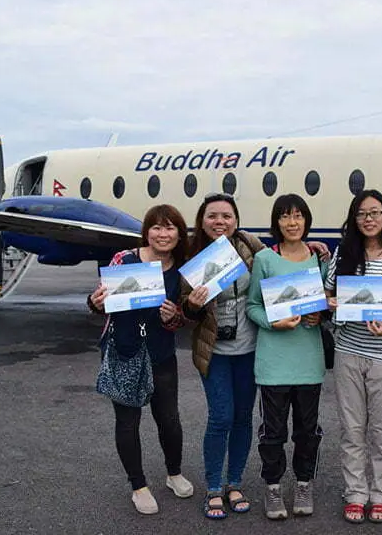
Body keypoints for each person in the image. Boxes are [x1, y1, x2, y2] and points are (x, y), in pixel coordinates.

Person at [88, 204, 195, 515]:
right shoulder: (125, 259)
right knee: (128, 422)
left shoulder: (182, 269)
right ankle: (139, 486)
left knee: (170, 421)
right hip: (125, 350)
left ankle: (173, 473)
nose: (163, 234)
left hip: (161, 354)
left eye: (170, 227)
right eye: (157, 227)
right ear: (147, 231)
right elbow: (102, 301)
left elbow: (181, 319)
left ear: (179, 233)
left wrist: (174, 316)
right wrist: (95, 303)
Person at [324, 189, 382, 524]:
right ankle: (356, 493)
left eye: (375, 212)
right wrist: (330, 303)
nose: (369, 219)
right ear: (353, 219)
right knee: (352, 429)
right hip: (348, 351)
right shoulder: (344, 253)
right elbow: (328, 293)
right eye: (362, 214)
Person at [181, 193, 266, 520]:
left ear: (236, 220)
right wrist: (194, 304)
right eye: (213, 216)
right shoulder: (194, 253)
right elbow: (185, 308)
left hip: (249, 349)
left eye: (227, 216)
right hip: (213, 350)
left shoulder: (248, 243)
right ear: (202, 220)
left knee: (243, 417)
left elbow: (281, 263)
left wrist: (312, 250)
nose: (220, 222)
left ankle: (235, 483)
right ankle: (214, 486)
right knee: (221, 417)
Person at [246, 194, 327, 520]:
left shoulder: (319, 258)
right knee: (273, 432)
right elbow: (252, 305)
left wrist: (320, 315)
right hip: (274, 363)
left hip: (309, 361)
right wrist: (271, 321)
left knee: (308, 431)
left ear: (306, 220)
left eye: (297, 216)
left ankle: (305, 483)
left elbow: (328, 300)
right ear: (276, 222)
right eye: (285, 217)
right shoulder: (265, 259)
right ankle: (273, 487)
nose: (292, 223)